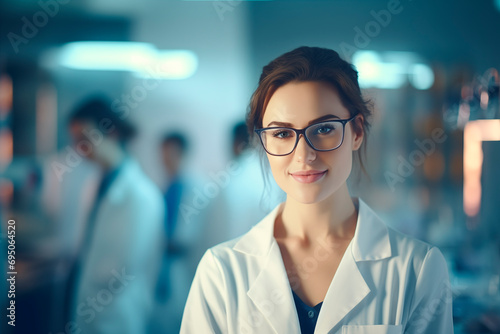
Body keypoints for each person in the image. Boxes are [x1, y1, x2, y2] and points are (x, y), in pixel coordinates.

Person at [180, 47, 454, 333]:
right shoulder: (222, 272)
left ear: (357, 132)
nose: (304, 155)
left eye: (323, 129)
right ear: (263, 142)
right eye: (282, 134)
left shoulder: (418, 269)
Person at [66, 96, 164, 334]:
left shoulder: (141, 195)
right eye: (76, 142)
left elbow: (122, 269)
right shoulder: (97, 182)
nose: (81, 150)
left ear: (110, 134)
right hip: (90, 311)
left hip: (116, 318)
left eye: (85, 140)